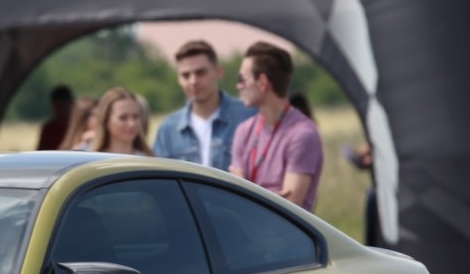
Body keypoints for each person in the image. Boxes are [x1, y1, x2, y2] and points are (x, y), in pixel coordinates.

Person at [229, 41, 325, 212]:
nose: (238, 86)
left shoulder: (302, 134)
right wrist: (271, 197)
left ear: (263, 82)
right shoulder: (243, 131)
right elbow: (234, 197)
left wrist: (245, 192)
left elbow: (289, 208)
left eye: (242, 79)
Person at [153, 40, 253, 169]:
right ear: (178, 79)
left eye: (200, 73)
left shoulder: (248, 116)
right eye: (186, 75)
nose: (193, 81)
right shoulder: (168, 130)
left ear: (218, 72)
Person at [96, 88, 154, 157]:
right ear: (106, 121)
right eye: (123, 118)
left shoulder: (149, 160)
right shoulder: (94, 160)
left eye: (135, 117)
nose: (132, 124)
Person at [36, 86, 75, 152]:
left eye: (63, 106)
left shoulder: (78, 127)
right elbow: (41, 152)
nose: (61, 110)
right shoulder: (49, 129)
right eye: (58, 106)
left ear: (71, 103)